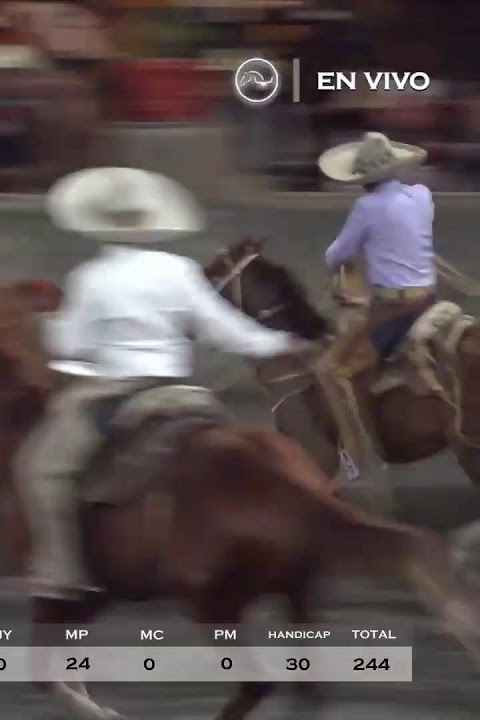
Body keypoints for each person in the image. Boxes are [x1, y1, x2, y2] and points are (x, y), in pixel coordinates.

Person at [28, 166, 313, 600]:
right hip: (181, 391)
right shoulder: (179, 270)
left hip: (116, 390)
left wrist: (49, 327)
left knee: (42, 468)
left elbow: (71, 346)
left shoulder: (92, 277)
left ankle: (62, 571)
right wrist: (280, 343)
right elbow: (226, 329)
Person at [315, 131, 435, 482]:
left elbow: (337, 254)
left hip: (392, 311)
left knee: (329, 370)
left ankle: (356, 457)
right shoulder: (422, 196)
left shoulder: (366, 207)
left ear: (363, 179)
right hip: (428, 299)